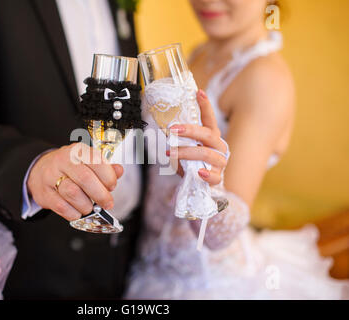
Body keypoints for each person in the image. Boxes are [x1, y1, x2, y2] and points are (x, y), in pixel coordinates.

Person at [0, 0, 227, 299]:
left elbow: (122, 108)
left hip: (129, 266)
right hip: (31, 266)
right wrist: (32, 167)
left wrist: (189, 164)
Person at [125, 0, 349, 299]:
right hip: (147, 265)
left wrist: (206, 184)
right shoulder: (199, 53)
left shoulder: (264, 77)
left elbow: (221, 234)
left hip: (206, 284)